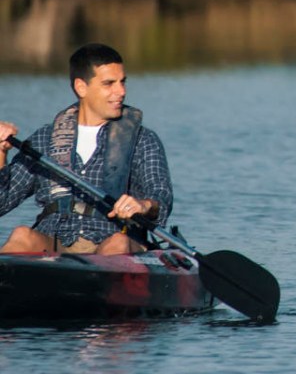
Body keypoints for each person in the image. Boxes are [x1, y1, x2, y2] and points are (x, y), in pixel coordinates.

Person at [0, 43, 173, 256]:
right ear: (81, 87)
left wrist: (143, 205)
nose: (121, 92)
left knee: (117, 244)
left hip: (113, 242)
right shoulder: (44, 139)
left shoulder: (143, 140)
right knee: (21, 236)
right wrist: (1, 152)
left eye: (122, 82)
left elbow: (161, 199)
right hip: (55, 242)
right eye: (109, 84)